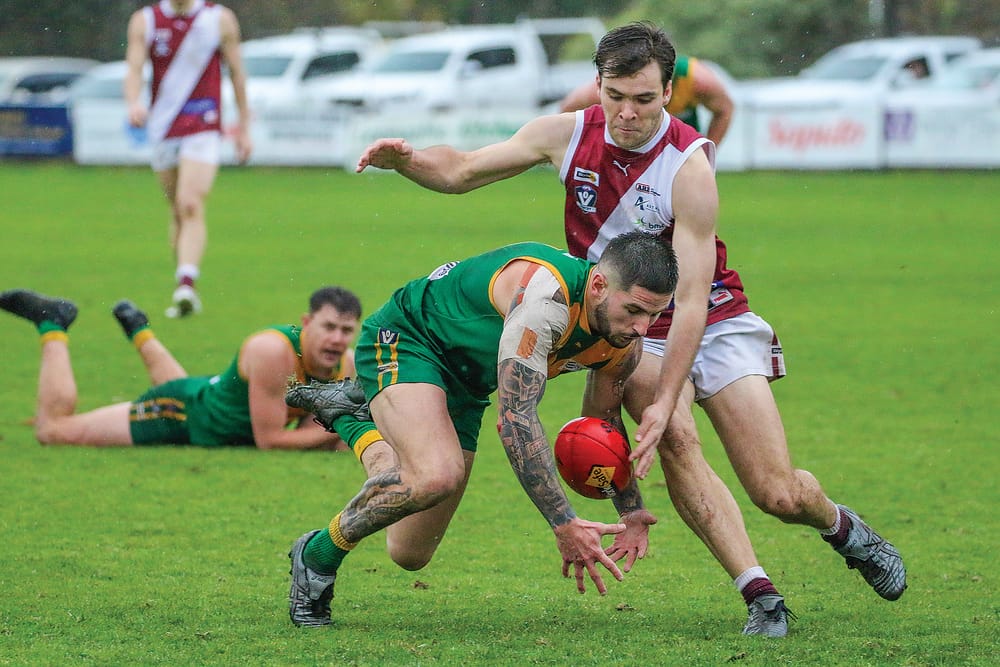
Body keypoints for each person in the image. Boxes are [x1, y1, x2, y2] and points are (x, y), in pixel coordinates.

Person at [355, 21, 906, 637]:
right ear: (599, 85)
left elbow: (693, 300)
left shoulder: (688, 164)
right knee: (673, 441)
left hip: (713, 317)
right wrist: (407, 162)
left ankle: (842, 528)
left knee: (777, 492)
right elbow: (460, 169)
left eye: (644, 100)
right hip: (627, 326)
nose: (628, 114)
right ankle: (762, 595)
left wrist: (671, 392)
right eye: (616, 97)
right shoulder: (566, 134)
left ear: (669, 90)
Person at [281, 231, 679, 627]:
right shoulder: (546, 301)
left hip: (467, 384)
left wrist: (631, 510)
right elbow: (516, 419)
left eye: (656, 315)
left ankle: (353, 415)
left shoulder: (623, 342)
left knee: (409, 552)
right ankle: (316, 557)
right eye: (634, 310)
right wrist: (564, 523)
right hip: (412, 339)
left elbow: (602, 426)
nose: (644, 327)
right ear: (598, 285)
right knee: (437, 475)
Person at [0, 286, 360, 449]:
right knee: (54, 431)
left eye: (346, 331)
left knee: (196, 390)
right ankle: (53, 323)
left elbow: (318, 426)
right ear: (306, 322)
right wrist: (338, 431)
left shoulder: (345, 363)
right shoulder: (272, 352)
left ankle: (139, 330)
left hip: (206, 397)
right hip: (179, 414)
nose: (337, 339)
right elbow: (271, 440)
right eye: (329, 327)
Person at [124, 0, 253, 319]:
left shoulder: (218, 18)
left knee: (190, 203)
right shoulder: (146, 20)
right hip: (164, 127)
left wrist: (244, 129)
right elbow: (134, 67)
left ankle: (185, 286)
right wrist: (133, 103)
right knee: (178, 212)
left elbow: (237, 74)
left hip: (204, 124)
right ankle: (184, 284)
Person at [559, 52, 734, 146]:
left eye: (645, 97)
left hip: (678, 154)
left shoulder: (697, 80)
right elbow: (568, 108)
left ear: (667, 88)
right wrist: (584, 150)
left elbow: (725, 108)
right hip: (625, 155)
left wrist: (708, 152)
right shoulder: (612, 85)